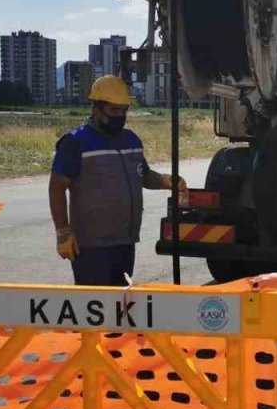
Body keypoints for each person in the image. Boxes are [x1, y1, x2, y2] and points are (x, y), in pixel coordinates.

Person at [48, 75, 185, 286]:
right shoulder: (76, 142)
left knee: (120, 306)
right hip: (91, 246)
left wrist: (165, 180)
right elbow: (57, 188)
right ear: (96, 108)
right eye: (113, 111)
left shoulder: (131, 139)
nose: (119, 116)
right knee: (96, 308)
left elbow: (143, 174)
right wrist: (63, 233)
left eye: (123, 111)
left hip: (125, 241)